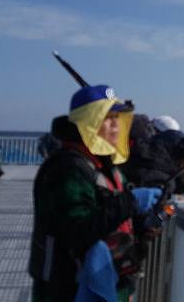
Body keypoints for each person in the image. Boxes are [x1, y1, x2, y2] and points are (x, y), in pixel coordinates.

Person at [29, 85, 161, 302]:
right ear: (88, 122)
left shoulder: (105, 165)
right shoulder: (66, 169)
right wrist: (130, 200)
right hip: (68, 289)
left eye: (118, 118)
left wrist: (142, 225)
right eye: (108, 118)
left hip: (112, 282)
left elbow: (111, 217)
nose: (116, 125)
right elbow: (78, 231)